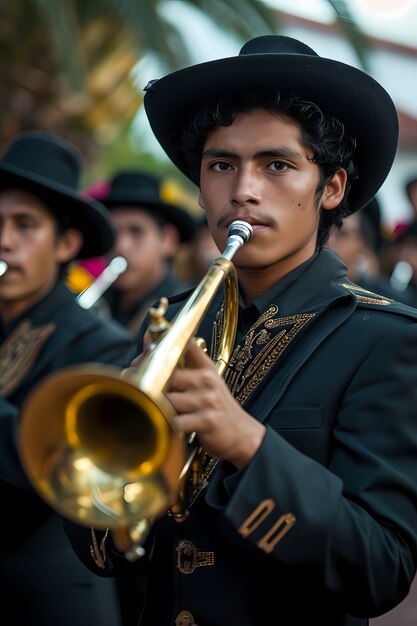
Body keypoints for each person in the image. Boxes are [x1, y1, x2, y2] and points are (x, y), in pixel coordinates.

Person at [63, 36, 417, 626]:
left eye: (277, 165)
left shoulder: (386, 340)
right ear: (200, 188)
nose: (243, 191)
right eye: (222, 165)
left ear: (331, 189)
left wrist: (247, 446)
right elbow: (106, 558)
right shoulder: (174, 321)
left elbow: (380, 570)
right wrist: (118, 444)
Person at [0, 130, 136, 626]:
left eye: (25, 225)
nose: (4, 241)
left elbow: (54, 463)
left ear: (66, 243)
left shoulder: (101, 344)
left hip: (47, 594)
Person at [88, 169, 195, 337]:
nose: (121, 246)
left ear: (167, 239)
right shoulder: (96, 301)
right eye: (113, 233)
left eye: (136, 231)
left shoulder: (189, 309)